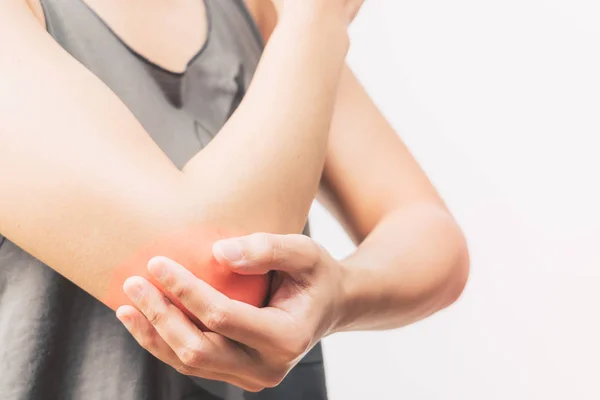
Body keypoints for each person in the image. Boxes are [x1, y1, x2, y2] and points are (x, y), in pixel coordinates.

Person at [0, 0, 470, 399]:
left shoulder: (254, 10)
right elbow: (208, 278)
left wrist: (340, 294)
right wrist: (319, 20)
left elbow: (428, 230)